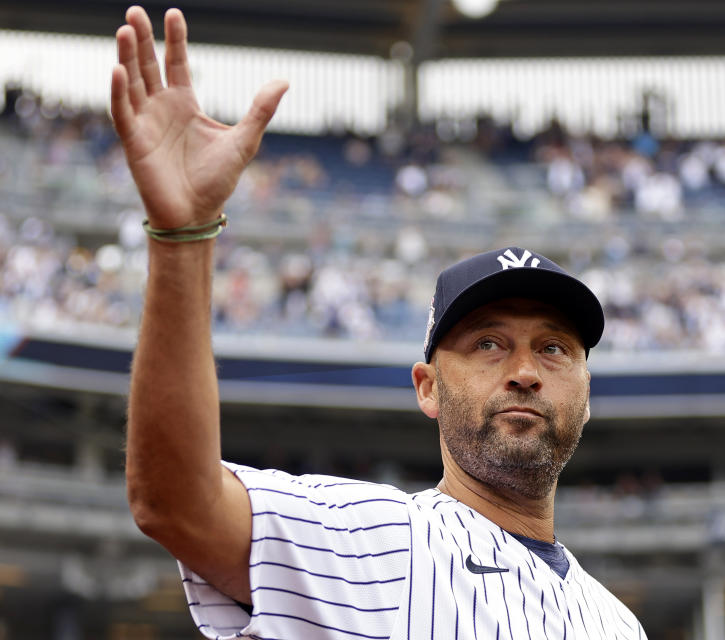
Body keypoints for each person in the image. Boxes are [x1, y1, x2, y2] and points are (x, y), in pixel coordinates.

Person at [113, 6, 645, 639]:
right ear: (427, 386)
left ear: (587, 390)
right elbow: (176, 503)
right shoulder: (378, 544)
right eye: (487, 343)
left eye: (554, 347)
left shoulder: (617, 624)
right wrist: (182, 239)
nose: (525, 372)